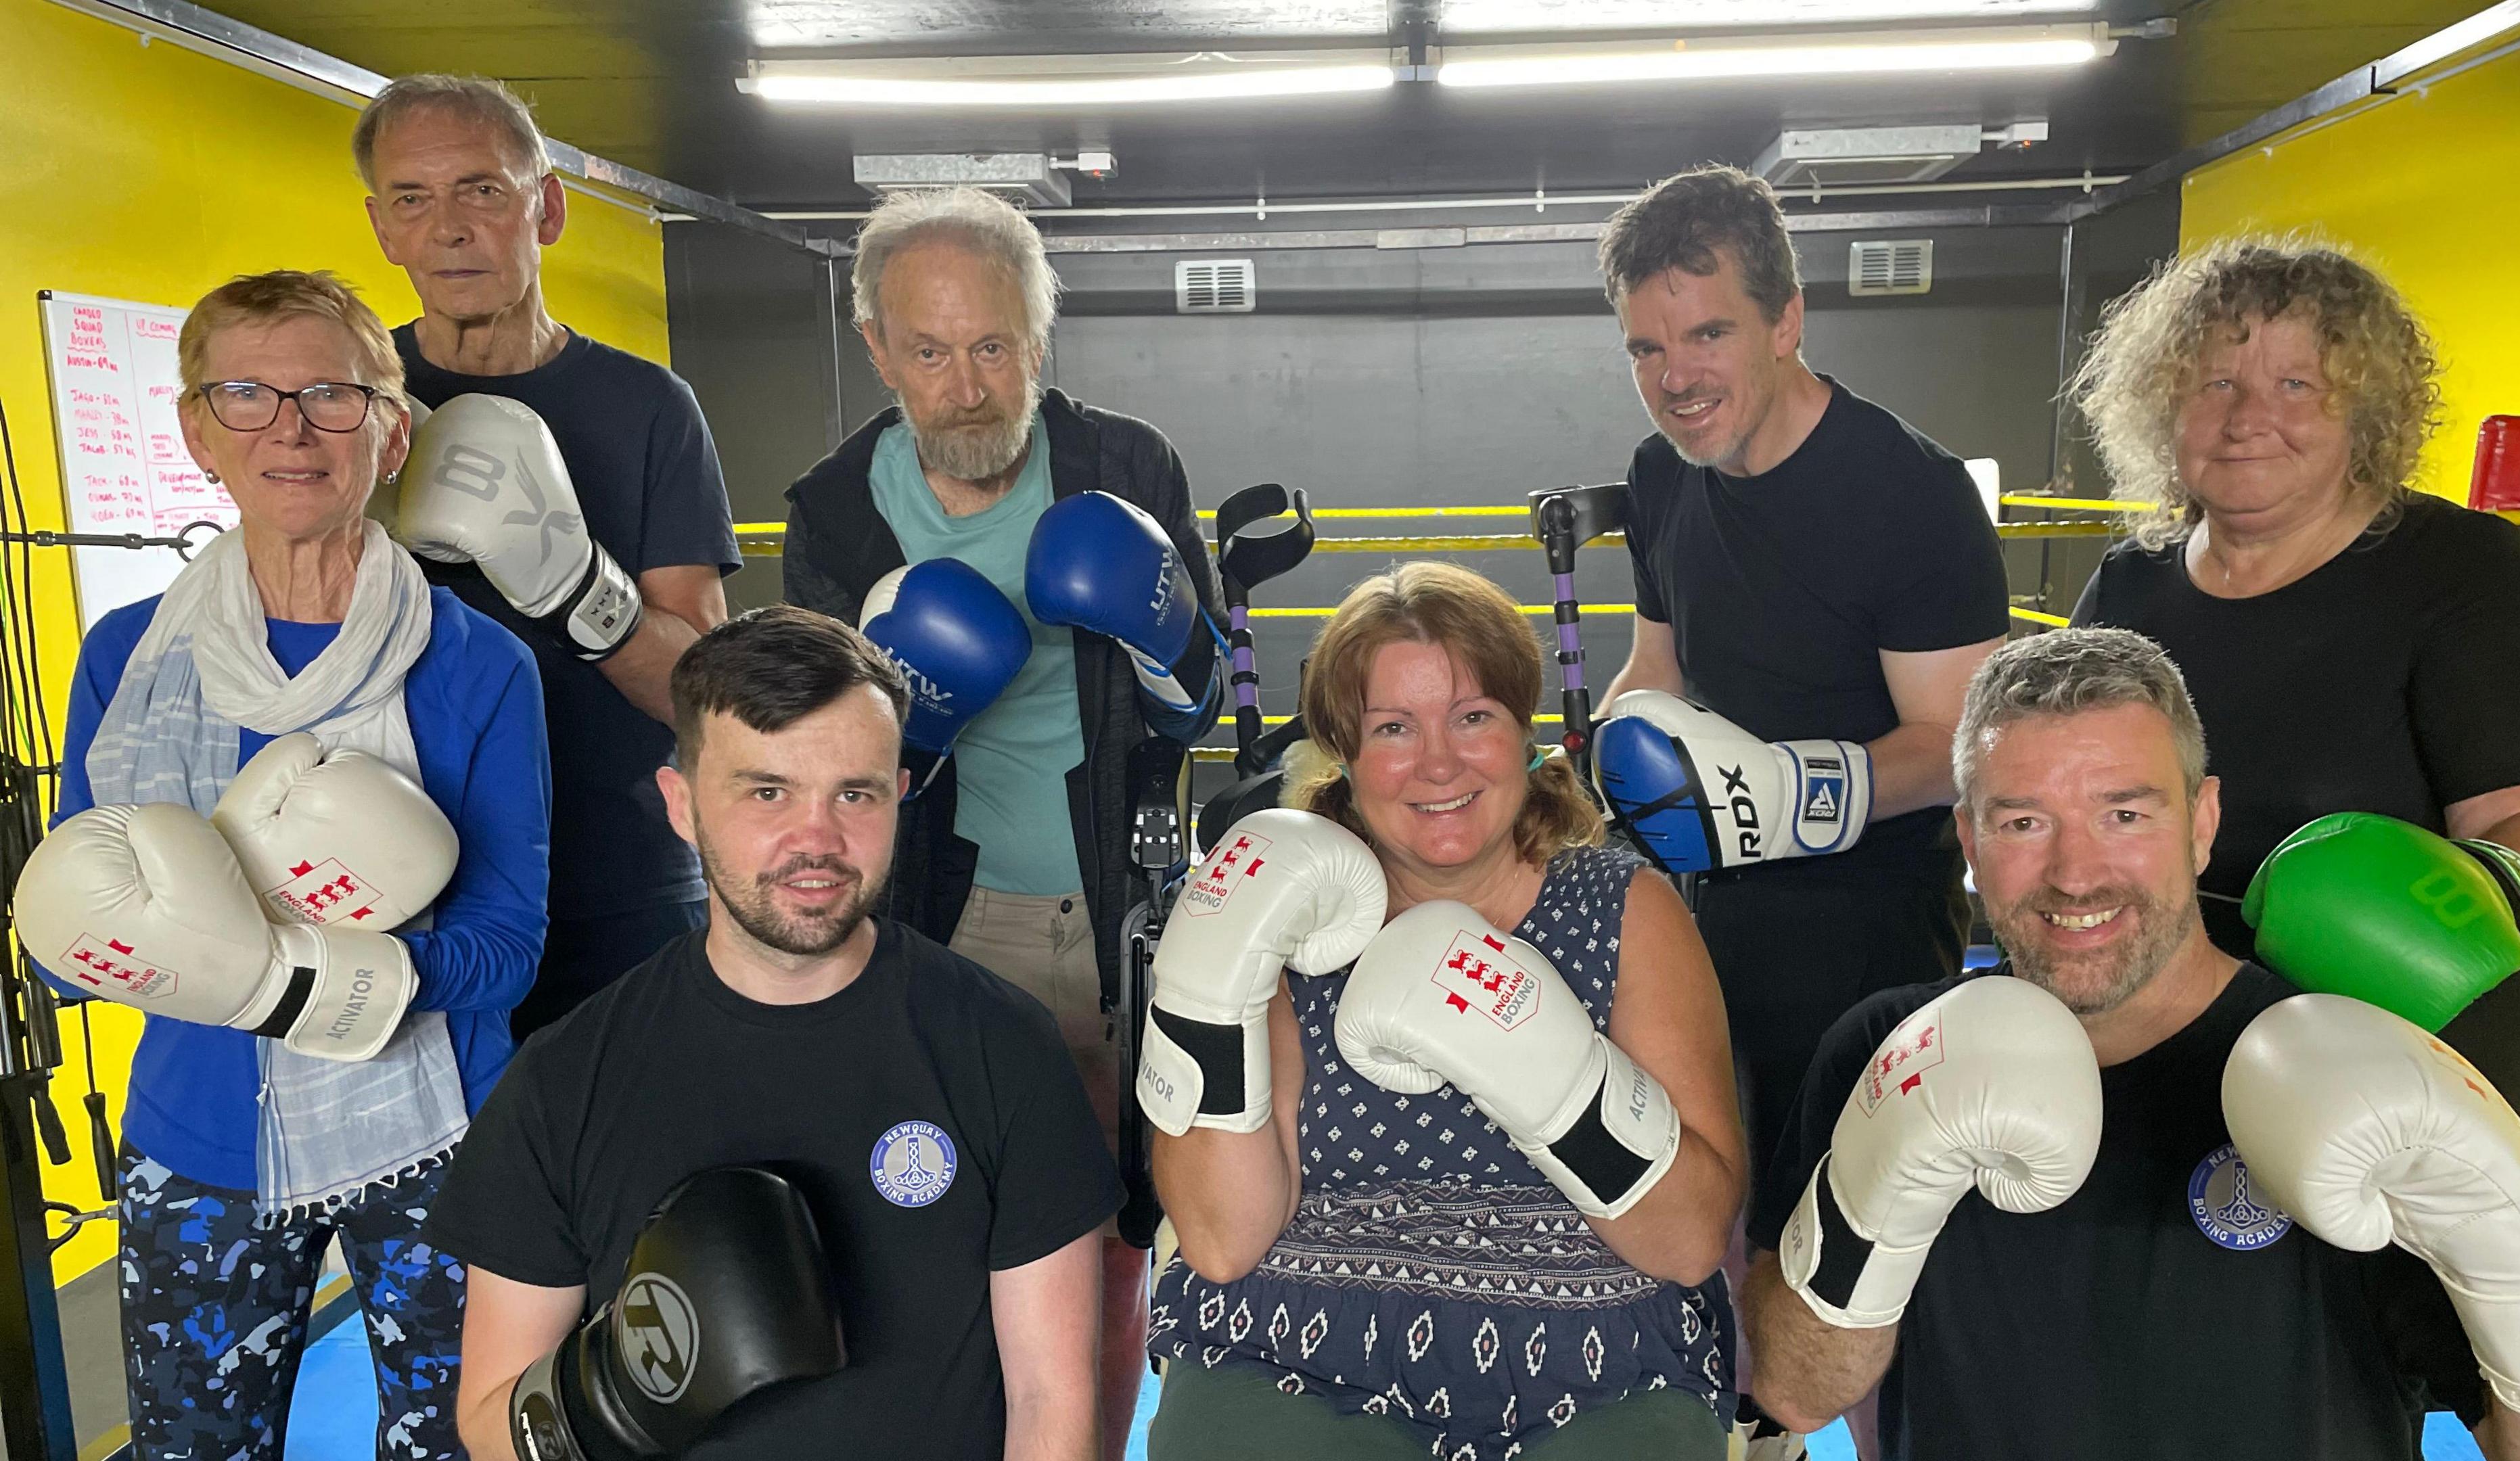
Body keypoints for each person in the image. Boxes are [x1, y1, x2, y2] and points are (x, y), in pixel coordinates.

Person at [1743, 627, 2520, 1459]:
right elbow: (1794, 1392)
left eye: (2124, 814)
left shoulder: (2364, 1068)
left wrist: (2506, 1264)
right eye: (2023, 824)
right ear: (1969, 841)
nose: (2077, 874)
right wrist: (1871, 1203)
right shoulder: (1885, 1049)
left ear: (2202, 822)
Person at [17, 271, 547, 1460]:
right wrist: (163, 956)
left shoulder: (479, 665)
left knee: (469, 1449)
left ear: (393, 429)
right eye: (246, 395)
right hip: (197, 1141)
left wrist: (284, 976)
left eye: (332, 396)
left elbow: (508, 952)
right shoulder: (128, 660)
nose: (292, 431)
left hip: (439, 1139)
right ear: (198, 432)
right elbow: (66, 952)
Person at [423, 605, 1116, 1460]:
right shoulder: (566, 1079)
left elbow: (1053, 1402)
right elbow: (492, 1423)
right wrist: (623, 1388)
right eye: (767, 791)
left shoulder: (1003, 1045)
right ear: (683, 806)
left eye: (853, 794)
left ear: (899, 798)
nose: (816, 840)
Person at [779, 185, 1224, 1455]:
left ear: (1040, 338)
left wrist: (1167, 635)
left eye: (993, 347)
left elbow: (1198, 711)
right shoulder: (836, 512)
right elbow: (825, 768)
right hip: (943, 911)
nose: (966, 386)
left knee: (1114, 1215)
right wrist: (907, 723)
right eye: (929, 350)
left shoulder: (1123, 465)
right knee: (941, 1209)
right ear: (879, 350)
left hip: (1120, 896)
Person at [1141, 562, 1746, 1460]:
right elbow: (1225, 1244)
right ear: (1344, 752)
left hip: (1596, 1353)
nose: (1438, 763)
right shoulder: (1285, 917)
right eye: (1394, 727)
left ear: (1522, 730)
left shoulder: (1624, 908)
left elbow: (1694, 1238)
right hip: (1297, 1344)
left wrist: (1551, 1079)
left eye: (1473, 717)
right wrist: (1212, 977)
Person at [2070, 237, 2520, 1115]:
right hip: (2155, 1048)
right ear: (2165, 405)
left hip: (2384, 1066)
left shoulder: (2464, 570)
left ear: (2367, 411)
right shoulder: (2129, 583)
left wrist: (2424, 932)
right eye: (2217, 383)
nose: (2247, 420)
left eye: (2297, 385)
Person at [1589, 164, 2010, 1194]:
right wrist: (1585, 774)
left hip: (1865, 933)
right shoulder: (1661, 474)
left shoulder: (1911, 494)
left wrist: (1782, 796)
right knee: (1693, 1196)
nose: (1675, 377)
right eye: (1647, 347)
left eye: (1708, 335)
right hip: (1699, 909)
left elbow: (1963, 745)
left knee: (1838, 1227)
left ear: (1786, 321)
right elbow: (1657, 668)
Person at [355, 74, 740, 1037]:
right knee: (446, 1187)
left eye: (482, 189)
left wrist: (574, 587)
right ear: (382, 228)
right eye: (413, 198)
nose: (449, 228)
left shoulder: (650, 407)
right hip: (404, 880)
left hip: (618, 878)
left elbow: (705, 695)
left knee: (638, 1176)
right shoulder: (346, 404)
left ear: (548, 206)